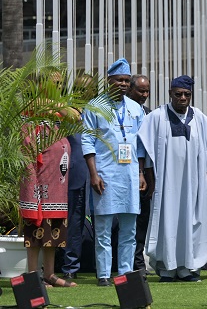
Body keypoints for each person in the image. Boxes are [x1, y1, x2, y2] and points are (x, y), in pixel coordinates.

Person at [137, 76, 207, 282]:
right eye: (178, 94)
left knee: (192, 221)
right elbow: (145, 153)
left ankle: (189, 267)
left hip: (193, 184)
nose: (182, 98)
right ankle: (167, 268)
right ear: (170, 93)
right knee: (167, 221)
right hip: (165, 184)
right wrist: (148, 177)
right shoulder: (156, 117)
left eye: (186, 94)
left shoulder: (199, 117)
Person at [82, 58, 147, 286]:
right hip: (105, 176)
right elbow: (87, 142)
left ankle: (125, 273)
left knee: (129, 230)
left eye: (126, 81)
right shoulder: (94, 106)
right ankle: (103, 275)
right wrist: (93, 174)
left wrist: (140, 173)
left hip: (129, 176)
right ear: (109, 81)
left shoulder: (135, 108)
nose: (122, 84)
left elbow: (140, 145)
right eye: (118, 80)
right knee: (103, 229)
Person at [20, 100, 76, 288]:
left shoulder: (58, 123)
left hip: (57, 192)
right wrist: (31, 192)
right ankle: (34, 275)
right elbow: (28, 162)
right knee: (36, 235)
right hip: (39, 191)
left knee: (53, 234)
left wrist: (58, 107)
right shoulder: (30, 125)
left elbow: (77, 117)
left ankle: (50, 275)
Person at [127, 74, 152, 273]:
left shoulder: (149, 115)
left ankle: (137, 264)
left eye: (146, 91)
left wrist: (145, 175)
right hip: (120, 174)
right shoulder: (117, 110)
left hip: (143, 177)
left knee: (141, 222)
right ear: (130, 89)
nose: (144, 94)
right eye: (140, 90)